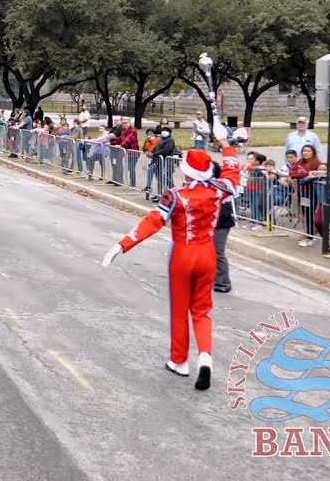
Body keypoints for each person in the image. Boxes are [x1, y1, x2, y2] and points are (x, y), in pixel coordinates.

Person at [101, 124, 240, 391]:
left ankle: (179, 361)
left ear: (186, 171)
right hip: (208, 253)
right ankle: (205, 357)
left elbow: (152, 222)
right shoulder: (219, 189)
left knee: (180, 310)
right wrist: (224, 142)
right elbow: (233, 169)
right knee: (202, 311)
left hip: (183, 254)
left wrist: (123, 244)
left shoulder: (176, 196)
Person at [211, 162, 234, 294]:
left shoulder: (220, 184)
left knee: (218, 251)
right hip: (211, 222)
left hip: (221, 223)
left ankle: (223, 282)